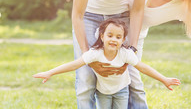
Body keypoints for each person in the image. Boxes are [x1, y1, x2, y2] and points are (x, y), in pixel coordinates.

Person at [33, 18, 180, 109]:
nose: (113, 39)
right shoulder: (95, 53)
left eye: (118, 37)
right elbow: (74, 65)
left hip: (122, 91)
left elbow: (144, 68)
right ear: (102, 36)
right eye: (110, 35)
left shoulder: (125, 53)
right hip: (103, 92)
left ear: (123, 40)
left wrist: (164, 79)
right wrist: (50, 72)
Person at [70, 0, 152, 109]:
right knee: (85, 76)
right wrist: (88, 56)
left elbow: (137, 10)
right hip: (88, 15)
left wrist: (133, 48)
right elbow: (77, 14)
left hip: (121, 16)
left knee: (131, 74)